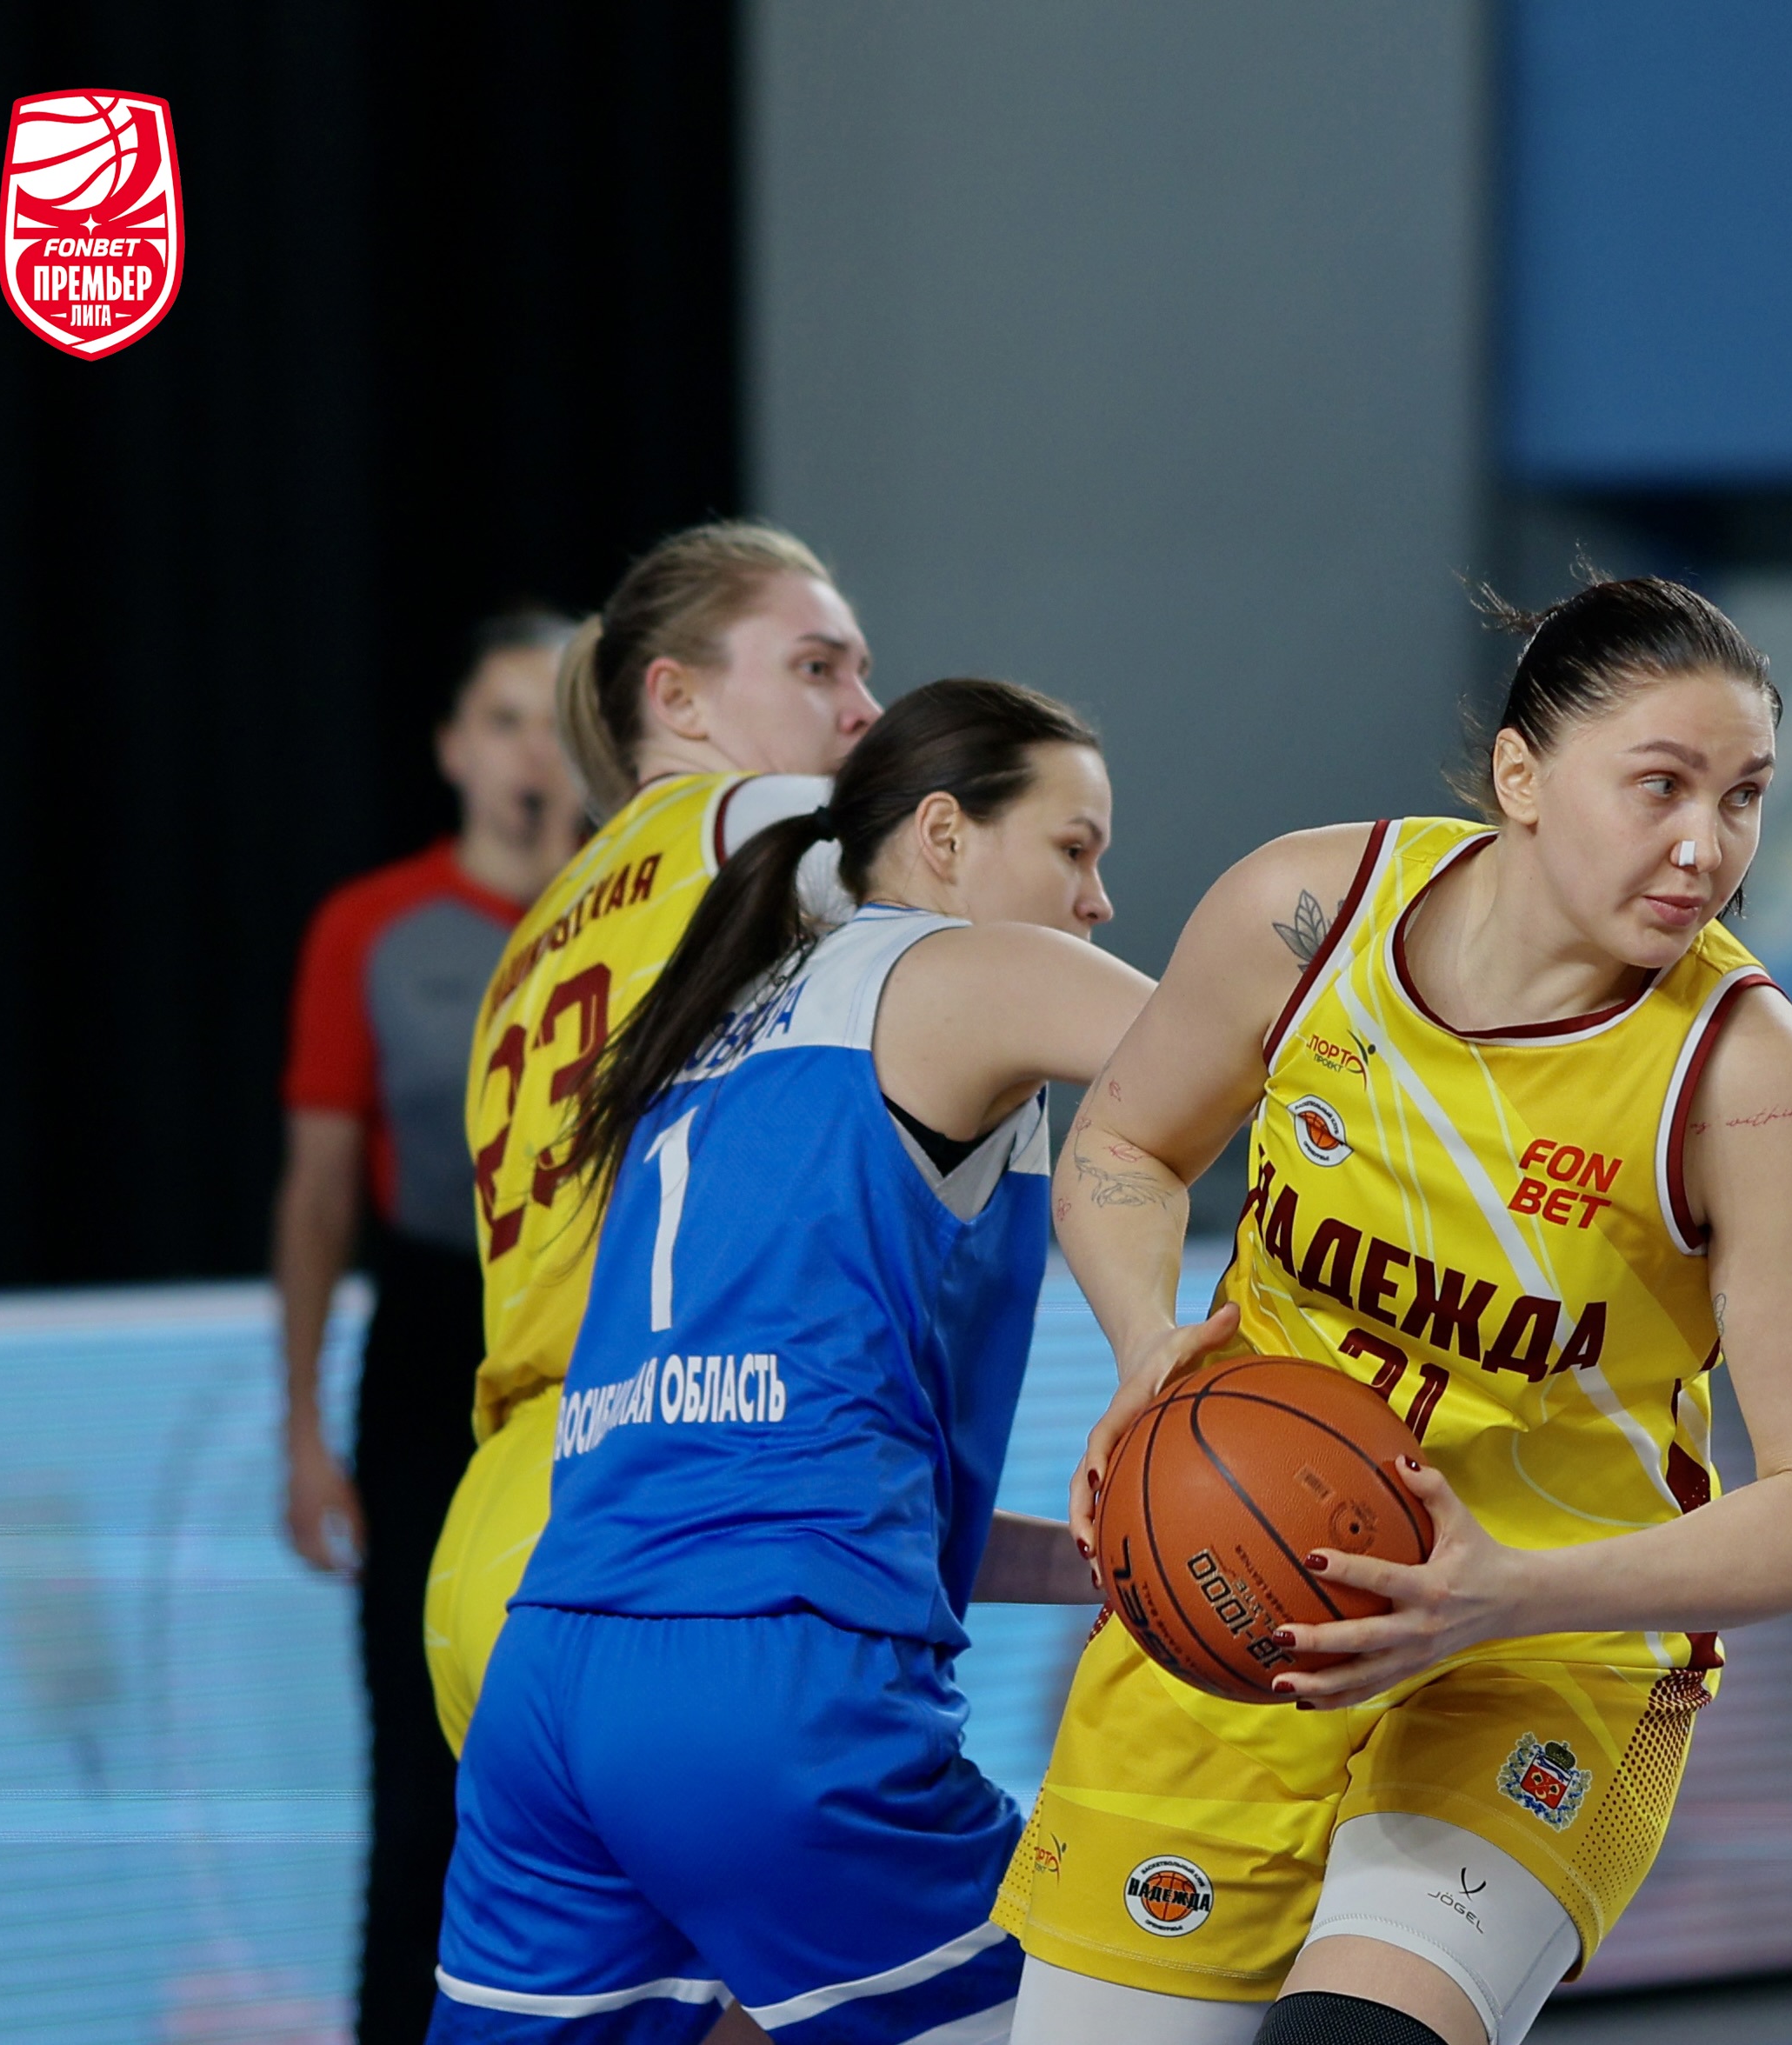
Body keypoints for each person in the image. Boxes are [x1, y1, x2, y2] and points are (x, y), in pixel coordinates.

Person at [995, 576, 1792, 2045]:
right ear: (1521, 775)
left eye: (1743, 796)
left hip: (1543, 1651)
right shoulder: (1306, 917)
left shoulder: (1746, 1075)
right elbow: (1124, 1146)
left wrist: (1507, 1593)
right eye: (1662, 785)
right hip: (1242, 1596)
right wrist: (1150, 1343)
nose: (1706, 844)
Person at [428, 680, 1147, 2043]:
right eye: (1073, 847)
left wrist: (1088, 1562)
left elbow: (771, 1456)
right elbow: (1281, 1058)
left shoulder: (705, 1030)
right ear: (944, 834)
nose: (1097, 899)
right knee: (1125, 2009)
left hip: (555, 1670)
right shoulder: (961, 969)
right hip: (764, 1686)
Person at [424, 520, 883, 1755]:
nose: (866, 710)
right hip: (654, 1497)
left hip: (489, 1534)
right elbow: (1021, 920)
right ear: (676, 698)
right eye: (818, 668)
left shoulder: (532, 936)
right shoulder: (767, 822)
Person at [277, 610, 584, 2045]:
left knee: (595, 1725)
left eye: (559, 723)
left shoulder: (644, 915)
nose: (534, 754)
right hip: (430, 1337)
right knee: (419, 1754)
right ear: (455, 747)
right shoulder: (374, 928)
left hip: (598, 1343)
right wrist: (301, 1427)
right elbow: (319, 1187)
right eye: (505, 719)